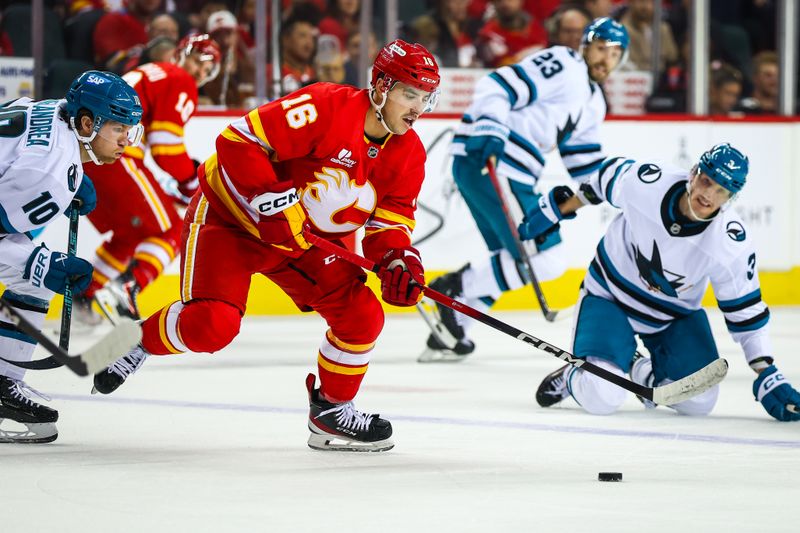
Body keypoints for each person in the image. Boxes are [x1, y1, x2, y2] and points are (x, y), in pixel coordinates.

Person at [92, 40, 441, 452]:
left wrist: (398, 259)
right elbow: (236, 141)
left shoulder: (408, 153)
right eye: (409, 93)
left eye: (425, 98)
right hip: (231, 220)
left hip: (298, 241)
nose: (418, 107)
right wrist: (269, 200)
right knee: (212, 326)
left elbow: (391, 222)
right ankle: (132, 341)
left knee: (361, 314)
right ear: (381, 86)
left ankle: (330, 411)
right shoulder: (325, 106)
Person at [521, 143, 800, 423]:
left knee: (699, 402)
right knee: (601, 397)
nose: (708, 195)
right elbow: (601, 180)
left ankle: (638, 368)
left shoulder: (730, 243)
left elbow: (746, 312)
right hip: (610, 298)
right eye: (706, 181)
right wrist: (557, 209)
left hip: (671, 317)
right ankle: (575, 375)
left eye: (721, 191)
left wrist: (766, 373)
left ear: (731, 197)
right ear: (693, 173)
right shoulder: (647, 182)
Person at [419, 17, 629, 361]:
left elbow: (586, 166)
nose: (607, 59)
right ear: (585, 45)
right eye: (602, 48)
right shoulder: (565, 63)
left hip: (505, 171)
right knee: (546, 258)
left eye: (616, 54)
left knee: (513, 259)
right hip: (494, 161)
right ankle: (450, 289)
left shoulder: (594, 102)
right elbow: (499, 84)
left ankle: (451, 329)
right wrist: (489, 124)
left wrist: (617, 189)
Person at [0, 70, 143, 443]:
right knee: (32, 271)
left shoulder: (56, 113)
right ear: (86, 123)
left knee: (30, 277)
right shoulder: (46, 172)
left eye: (130, 130)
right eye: (118, 130)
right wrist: (40, 263)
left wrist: (74, 175)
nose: (127, 140)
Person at [74, 35, 221, 327]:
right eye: (198, 62)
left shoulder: (154, 71)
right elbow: (166, 149)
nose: (199, 73)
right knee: (171, 230)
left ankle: (83, 295)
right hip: (118, 156)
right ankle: (129, 285)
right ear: (180, 55)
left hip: (88, 158)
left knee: (130, 236)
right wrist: (191, 181)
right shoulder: (178, 78)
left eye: (206, 71)